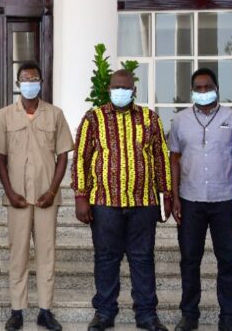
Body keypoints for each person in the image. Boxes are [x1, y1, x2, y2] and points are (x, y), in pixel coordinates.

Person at [72, 70, 171, 331]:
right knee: (106, 258)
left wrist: (166, 194)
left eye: (125, 87)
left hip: (143, 203)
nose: (121, 91)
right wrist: (81, 196)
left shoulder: (150, 119)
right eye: (116, 87)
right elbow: (81, 157)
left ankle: (147, 315)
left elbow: (161, 157)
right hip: (104, 202)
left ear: (134, 90)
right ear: (108, 89)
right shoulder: (93, 119)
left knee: (143, 258)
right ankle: (105, 312)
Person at [0, 62, 73, 331]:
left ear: (41, 82)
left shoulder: (55, 114)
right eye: (25, 79)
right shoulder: (5, 115)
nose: (30, 83)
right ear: (18, 83)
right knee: (18, 254)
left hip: (47, 198)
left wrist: (52, 190)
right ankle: (17, 310)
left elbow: (63, 155)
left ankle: (45, 311)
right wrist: (9, 192)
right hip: (18, 200)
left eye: (34, 78)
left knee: (47, 254)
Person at [168, 68, 232, 331]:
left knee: (228, 260)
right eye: (198, 88)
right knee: (190, 259)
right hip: (190, 201)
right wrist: (175, 196)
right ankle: (189, 315)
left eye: (207, 87)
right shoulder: (179, 121)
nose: (203, 92)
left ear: (217, 88)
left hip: (225, 200)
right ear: (192, 91)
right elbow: (175, 159)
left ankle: (228, 318)